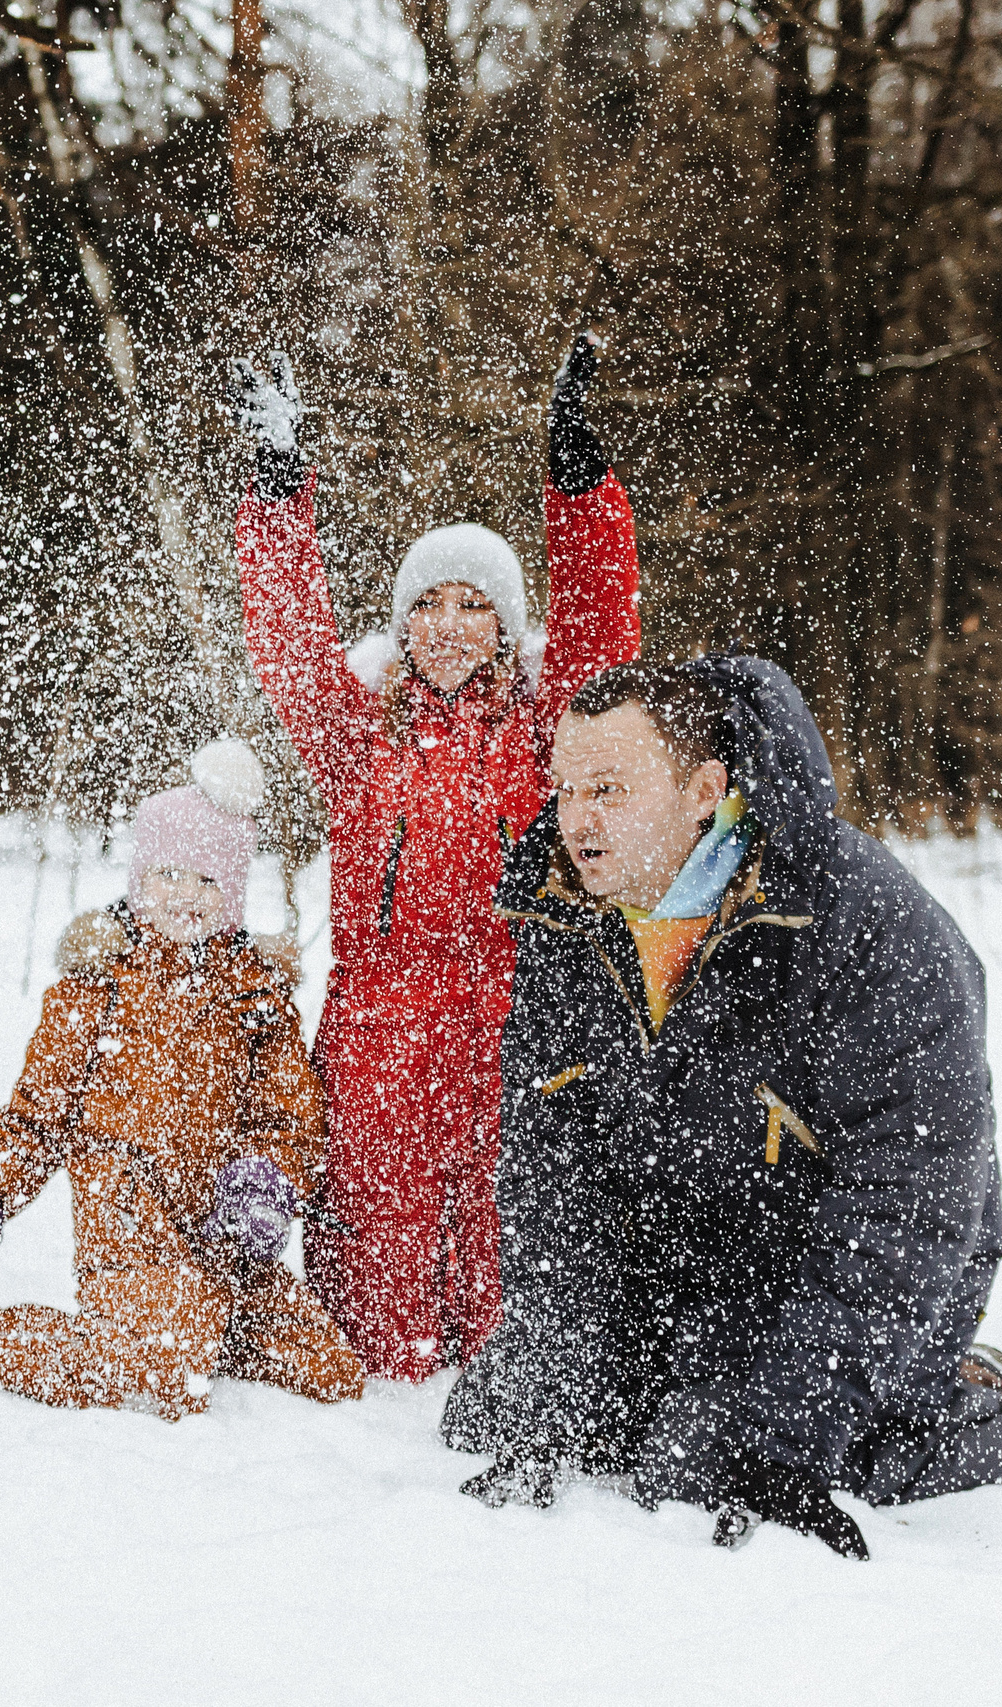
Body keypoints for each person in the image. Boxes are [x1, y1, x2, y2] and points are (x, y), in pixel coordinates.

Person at [440, 656, 1002, 1557]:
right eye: (567, 789)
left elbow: (912, 1204)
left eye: (608, 787)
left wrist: (787, 1435)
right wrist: (558, 1371)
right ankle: (723, 1395)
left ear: (704, 790)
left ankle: (997, 1425)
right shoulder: (570, 920)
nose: (578, 821)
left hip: (860, 1264)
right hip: (691, 1252)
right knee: (501, 1411)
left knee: (703, 1466)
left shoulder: (864, 925)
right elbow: (550, 1172)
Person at [224, 337, 641, 1381]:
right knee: (377, 1259)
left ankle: (499, 1388)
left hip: (515, 1014)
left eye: (473, 605)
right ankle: (382, 1415)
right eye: (428, 605)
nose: (449, 625)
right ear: (402, 625)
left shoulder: (550, 729)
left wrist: (578, 488)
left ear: (504, 627)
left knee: (511, 1242)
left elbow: (599, 625)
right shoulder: (354, 731)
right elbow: (286, 639)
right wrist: (279, 494)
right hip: (378, 1027)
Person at [0, 740, 364, 1419]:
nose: (186, 897)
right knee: (167, 1375)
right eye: (170, 874)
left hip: (219, 1229)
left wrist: (266, 1176)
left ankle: (192, 1321)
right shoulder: (97, 987)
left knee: (331, 1369)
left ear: (234, 890)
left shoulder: (257, 995)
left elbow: (289, 1117)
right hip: (127, 1224)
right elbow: (35, 1118)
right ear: (142, 877)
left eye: (208, 880)